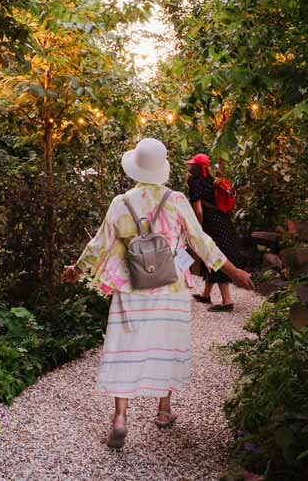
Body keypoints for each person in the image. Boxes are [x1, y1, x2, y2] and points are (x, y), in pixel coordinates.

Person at [63, 138, 254, 450]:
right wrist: (233, 272)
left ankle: (120, 418)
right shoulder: (176, 200)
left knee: (125, 347)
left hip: (131, 285)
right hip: (171, 287)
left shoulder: (121, 202)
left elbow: (99, 243)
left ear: (136, 168)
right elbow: (201, 241)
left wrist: (77, 268)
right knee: (167, 344)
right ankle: (164, 410)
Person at [186, 154, 245, 312]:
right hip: (223, 221)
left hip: (211, 223)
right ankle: (206, 294)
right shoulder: (212, 180)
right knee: (211, 256)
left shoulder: (195, 183)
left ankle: (227, 301)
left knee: (217, 257)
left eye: (191, 165)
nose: (189, 167)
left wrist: (197, 229)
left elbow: (199, 211)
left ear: (196, 167)